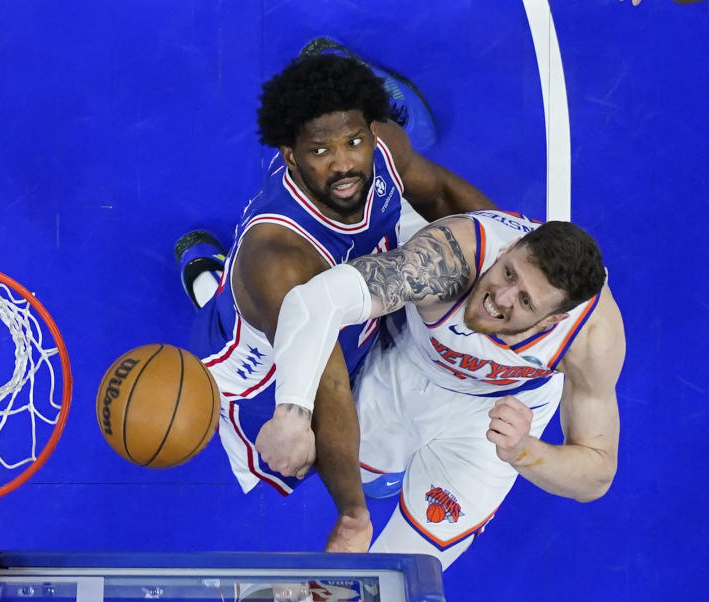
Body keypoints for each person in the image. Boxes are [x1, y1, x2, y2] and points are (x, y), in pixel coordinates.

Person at [176, 44, 495, 553]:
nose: (345, 164)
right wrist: (352, 513)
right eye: (321, 151)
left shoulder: (385, 148)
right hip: (263, 366)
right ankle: (206, 277)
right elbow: (327, 388)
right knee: (304, 448)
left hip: (345, 300)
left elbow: (441, 196)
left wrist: (511, 247)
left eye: (354, 141)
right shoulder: (279, 258)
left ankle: (210, 274)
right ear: (290, 156)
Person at [263, 210, 625, 568]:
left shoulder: (589, 338)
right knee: (314, 435)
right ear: (508, 248)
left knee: (403, 581)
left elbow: (597, 475)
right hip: (413, 363)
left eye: (525, 301)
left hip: (500, 416)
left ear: (554, 320)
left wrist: (522, 451)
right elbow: (316, 300)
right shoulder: (449, 261)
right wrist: (292, 413)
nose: (501, 298)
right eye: (508, 273)